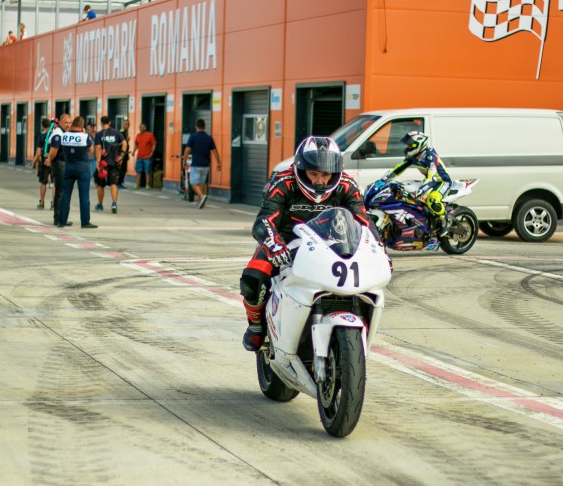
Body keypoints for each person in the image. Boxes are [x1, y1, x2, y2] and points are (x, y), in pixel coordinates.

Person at [240, 136, 379, 351]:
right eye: (313, 174)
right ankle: (256, 324)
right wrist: (274, 244)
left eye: (326, 174)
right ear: (301, 169)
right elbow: (264, 220)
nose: (319, 181)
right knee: (253, 278)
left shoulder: (347, 186)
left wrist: (378, 250)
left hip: (331, 244)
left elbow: (364, 222)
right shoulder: (283, 182)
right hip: (286, 242)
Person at [381, 131, 453, 236]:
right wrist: (384, 180)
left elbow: (431, 177)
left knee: (432, 200)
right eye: (408, 145)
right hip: (429, 181)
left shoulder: (429, 156)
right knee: (406, 192)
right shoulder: (414, 156)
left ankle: (446, 220)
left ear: (419, 145)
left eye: (410, 145)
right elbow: (399, 168)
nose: (408, 147)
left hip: (441, 182)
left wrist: (419, 191)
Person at [47, 116, 96, 228]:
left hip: (68, 167)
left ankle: (62, 221)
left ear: (72, 124)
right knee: (84, 196)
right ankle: (85, 222)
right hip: (82, 167)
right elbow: (90, 150)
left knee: (65, 195)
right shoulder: (84, 136)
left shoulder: (64, 136)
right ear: (82, 126)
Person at [182, 119, 220, 209]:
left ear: (196, 126)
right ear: (204, 127)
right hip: (206, 165)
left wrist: (184, 161)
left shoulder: (193, 137)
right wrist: (218, 163)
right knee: (202, 183)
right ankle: (200, 202)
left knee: (193, 183)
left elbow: (187, 150)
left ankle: (202, 196)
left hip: (196, 164)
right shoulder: (209, 138)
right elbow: (215, 151)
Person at [94, 116, 126, 214]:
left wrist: (98, 162)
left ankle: (100, 205)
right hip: (115, 163)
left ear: (101, 123)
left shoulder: (99, 134)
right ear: (110, 122)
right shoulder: (117, 133)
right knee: (113, 184)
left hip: (103, 164)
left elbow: (98, 148)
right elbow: (125, 143)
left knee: (100, 185)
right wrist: (121, 156)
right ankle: (114, 204)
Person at [44, 114, 70, 227]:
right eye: (66, 123)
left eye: (69, 123)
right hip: (59, 164)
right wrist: (49, 160)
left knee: (62, 192)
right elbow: (54, 151)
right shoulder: (58, 135)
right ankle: (58, 219)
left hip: (62, 164)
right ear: (60, 123)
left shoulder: (63, 132)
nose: (68, 125)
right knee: (60, 192)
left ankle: (62, 218)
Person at [32, 118, 53, 210]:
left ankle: (42, 202)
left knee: (43, 182)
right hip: (54, 161)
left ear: (43, 127)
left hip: (44, 162)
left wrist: (33, 161)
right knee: (54, 183)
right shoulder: (55, 136)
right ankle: (54, 203)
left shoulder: (41, 137)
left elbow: (38, 153)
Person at [132, 123, 157, 189]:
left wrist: (152, 153)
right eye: (139, 127)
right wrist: (133, 151)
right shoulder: (138, 135)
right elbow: (136, 144)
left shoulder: (150, 135)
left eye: (141, 127)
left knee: (147, 171)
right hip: (139, 156)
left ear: (145, 128)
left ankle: (147, 184)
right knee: (138, 171)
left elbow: (154, 144)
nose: (140, 129)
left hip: (147, 157)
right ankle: (137, 184)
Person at [118, 118, 131, 189]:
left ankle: (120, 182)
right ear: (123, 124)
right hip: (121, 154)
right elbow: (119, 143)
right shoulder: (121, 132)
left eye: (128, 124)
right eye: (126, 124)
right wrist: (126, 140)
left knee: (124, 169)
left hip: (125, 154)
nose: (127, 125)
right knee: (121, 169)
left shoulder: (126, 132)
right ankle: (118, 183)